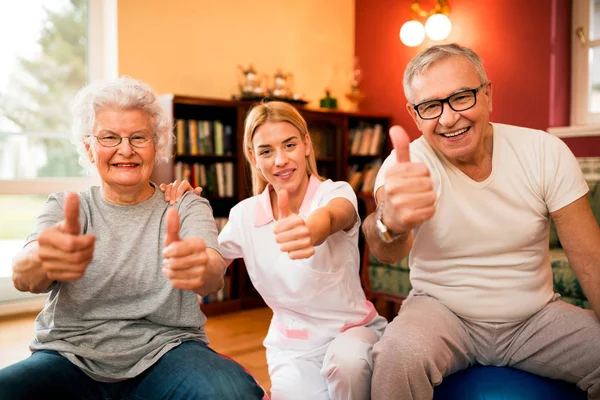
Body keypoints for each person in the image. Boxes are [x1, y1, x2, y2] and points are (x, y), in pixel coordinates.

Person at [0, 77, 266, 400]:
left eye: (138, 137)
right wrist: (42, 260)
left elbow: (212, 276)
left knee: (234, 394)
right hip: (69, 357)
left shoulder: (185, 205)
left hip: (169, 352)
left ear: (157, 145)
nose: (125, 150)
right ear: (89, 147)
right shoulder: (66, 207)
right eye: (109, 137)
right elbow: (22, 273)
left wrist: (201, 267)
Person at [362, 43, 600, 399]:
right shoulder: (407, 165)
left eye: (461, 97)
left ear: (487, 93)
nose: (448, 118)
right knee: (397, 356)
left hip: (534, 317)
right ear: (414, 115)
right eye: (431, 106)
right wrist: (389, 222)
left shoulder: (543, 151)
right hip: (442, 314)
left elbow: (591, 260)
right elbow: (385, 249)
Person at [187, 101, 387, 400]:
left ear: (306, 144)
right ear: (253, 157)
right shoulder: (244, 215)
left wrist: (312, 229)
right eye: (266, 151)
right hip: (292, 347)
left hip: (352, 333)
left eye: (289, 145)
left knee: (349, 363)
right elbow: (213, 263)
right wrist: (190, 222)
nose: (280, 160)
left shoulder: (335, 192)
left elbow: (337, 214)